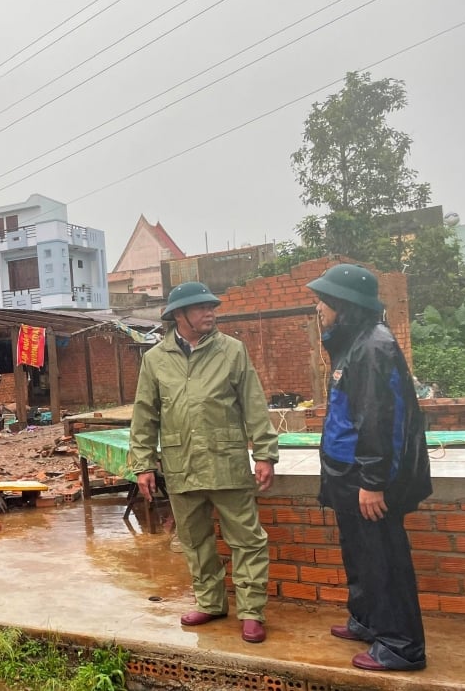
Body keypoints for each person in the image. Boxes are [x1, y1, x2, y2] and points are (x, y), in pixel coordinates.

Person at [129, 282, 278, 644]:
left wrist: (264, 453)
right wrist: (143, 464)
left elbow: (253, 404)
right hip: (182, 465)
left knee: (247, 540)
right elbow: (145, 414)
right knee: (195, 541)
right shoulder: (155, 359)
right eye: (201, 308)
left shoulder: (232, 351)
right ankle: (211, 603)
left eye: (212, 307)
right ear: (179, 316)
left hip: (227, 462)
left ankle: (251, 612)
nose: (210, 312)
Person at [306, 264, 431, 672]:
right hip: (348, 476)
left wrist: (374, 482)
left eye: (323, 300)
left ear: (343, 304)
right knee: (359, 555)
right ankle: (367, 620)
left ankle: (400, 646)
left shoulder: (374, 345)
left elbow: (382, 419)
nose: (318, 307)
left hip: (368, 480)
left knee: (384, 559)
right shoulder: (352, 342)